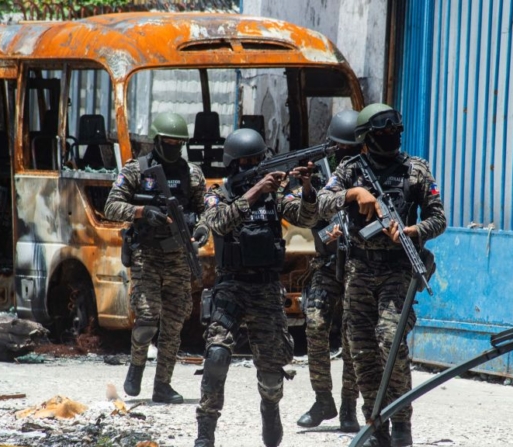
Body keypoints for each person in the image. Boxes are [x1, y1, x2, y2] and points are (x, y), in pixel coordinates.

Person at [317, 103, 446, 447]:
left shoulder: (415, 170)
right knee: (361, 350)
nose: (390, 138)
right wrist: (355, 194)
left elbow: (439, 218)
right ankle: (375, 424)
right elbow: (322, 202)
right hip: (359, 271)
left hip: (397, 270)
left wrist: (413, 230)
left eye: (394, 132)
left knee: (390, 344)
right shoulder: (350, 169)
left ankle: (401, 420)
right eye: (382, 133)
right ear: (366, 138)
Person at [194, 128, 318, 447]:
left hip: (266, 289)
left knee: (272, 370)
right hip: (231, 286)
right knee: (218, 355)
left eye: (256, 161)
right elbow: (217, 223)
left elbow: (307, 217)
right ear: (233, 165)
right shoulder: (218, 192)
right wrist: (254, 192)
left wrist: (305, 187)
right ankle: (205, 431)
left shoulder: (276, 194)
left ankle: (270, 407)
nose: (252, 168)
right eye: (246, 163)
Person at [104, 112, 209, 404]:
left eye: (179, 143)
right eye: (169, 142)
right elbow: (111, 206)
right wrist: (141, 212)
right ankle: (137, 364)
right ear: (157, 141)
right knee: (148, 318)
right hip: (146, 255)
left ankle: (162, 385)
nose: (174, 147)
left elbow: (206, 209)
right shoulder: (136, 170)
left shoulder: (193, 174)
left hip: (178, 255)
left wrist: (202, 229)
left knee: (174, 322)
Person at [296, 110, 363, 433]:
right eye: (340, 149)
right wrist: (308, 191)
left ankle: (349, 405)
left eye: (351, 149)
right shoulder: (321, 177)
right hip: (326, 264)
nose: (344, 156)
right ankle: (324, 399)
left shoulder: (370, 176)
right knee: (315, 324)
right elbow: (308, 221)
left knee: (353, 337)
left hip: (359, 266)